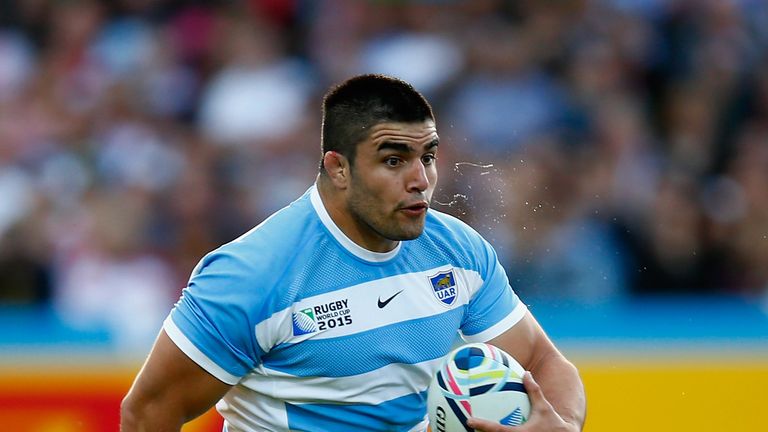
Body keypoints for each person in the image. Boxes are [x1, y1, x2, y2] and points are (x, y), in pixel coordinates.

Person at [121, 74, 586, 432]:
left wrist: (559, 424)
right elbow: (146, 415)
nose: (420, 178)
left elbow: (545, 363)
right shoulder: (251, 276)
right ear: (338, 169)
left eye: (427, 156)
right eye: (393, 160)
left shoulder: (458, 252)